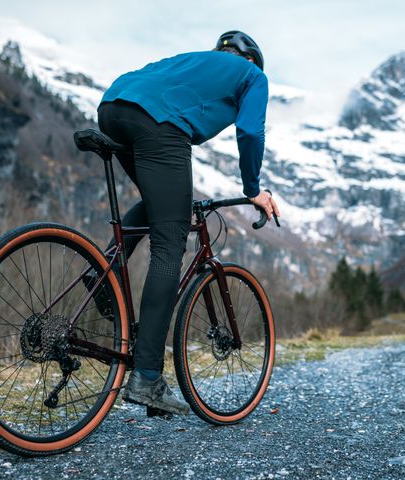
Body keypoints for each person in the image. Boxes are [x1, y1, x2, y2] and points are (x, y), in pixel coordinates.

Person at [95, 31, 280, 415]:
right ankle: (146, 377)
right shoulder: (252, 76)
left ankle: (100, 277)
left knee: (159, 208)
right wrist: (252, 190)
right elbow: (249, 131)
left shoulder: (195, 60)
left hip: (113, 107)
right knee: (170, 242)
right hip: (160, 125)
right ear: (252, 60)